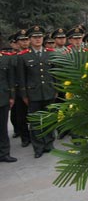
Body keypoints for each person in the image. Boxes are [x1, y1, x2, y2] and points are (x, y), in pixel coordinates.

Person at [17, 26, 57, 158]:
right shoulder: (24, 56)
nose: (38, 39)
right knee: (35, 122)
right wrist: (24, 95)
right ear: (29, 39)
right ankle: (38, 147)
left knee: (50, 119)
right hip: (33, 94)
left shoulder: (50, 53)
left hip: (49, 91)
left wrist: (56, 89)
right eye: (35, 37)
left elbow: (55, 73)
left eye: (40, 37)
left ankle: (49, 144)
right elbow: (22, 78)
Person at [0, 38, 17, 162]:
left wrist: (11, 96)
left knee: (2, 127)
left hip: (3, 98)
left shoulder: (5, 59)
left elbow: (10, 79)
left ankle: (4, 152)